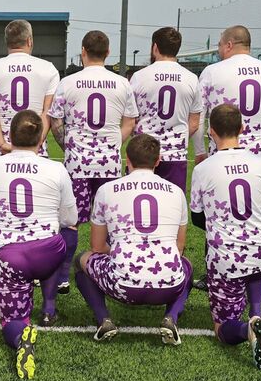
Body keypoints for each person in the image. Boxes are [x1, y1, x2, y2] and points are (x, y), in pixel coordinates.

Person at [0, 110, 77, 380]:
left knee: (11, 321)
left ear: (10, 136)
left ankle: (22, 336)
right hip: (48, 252)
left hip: (10, 256)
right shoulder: (56, 169)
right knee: (66, 233)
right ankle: (48, 307)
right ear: (41, 139)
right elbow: (71, 219)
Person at [74, 134, 193, 344]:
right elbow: (179, 246)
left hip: (123, 286)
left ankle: (103, 319)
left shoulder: (106, 190)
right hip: (169, 284)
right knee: (186, 265)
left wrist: (120, 251)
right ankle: (171, 317)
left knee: (81, 260)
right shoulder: (176, 192)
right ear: (158, 161)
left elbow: (97, 247)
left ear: (127, 159)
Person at [48, 30, 138, 296]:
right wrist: (114, 143)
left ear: (83, 52)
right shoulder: (122, 83)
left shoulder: (68, 82)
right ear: (108, 53)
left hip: (77, 162)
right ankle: (111, 269)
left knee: (71, 220)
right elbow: (130, 122)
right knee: (109, 219)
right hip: (108, 162)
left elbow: (56, 121)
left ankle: (63, 276)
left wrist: (69, 146)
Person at [190, 104, 261, 370]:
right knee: (255, 257)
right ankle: (256, 313)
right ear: (242, 128)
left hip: (227, 260)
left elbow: (197, 218)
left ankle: (246, 329)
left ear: (211, 131)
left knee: (222, 329)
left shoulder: (203, 169)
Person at [191, 25, 261, 161]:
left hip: (221, 156)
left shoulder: (212, 72)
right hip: (258, 156)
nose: (218, 50)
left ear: (229, 45)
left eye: (220, 45)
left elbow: (199, 116)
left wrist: (200, 151)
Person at [130, 27, 202, 192]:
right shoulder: (191, 78)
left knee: (140, 201)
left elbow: (131, 118)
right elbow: (194, 122)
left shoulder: (139, 77)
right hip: (175, 153)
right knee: (172, 203)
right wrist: (175, 138)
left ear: (155, 47)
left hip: (143, 153)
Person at [0, 20, 60, 159]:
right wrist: (36, 143)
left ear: (7, 41)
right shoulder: (48, 69)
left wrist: (1, 144)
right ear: (29, 41)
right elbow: (48, 111)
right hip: (36, 151)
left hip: (2, 152)